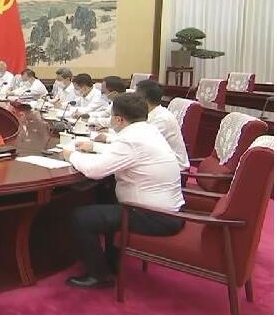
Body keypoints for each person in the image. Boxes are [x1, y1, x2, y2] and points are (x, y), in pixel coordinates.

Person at [62, 93, 185, 289]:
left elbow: (95, 171)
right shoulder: (147, 131)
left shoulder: (131, 139)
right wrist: (94, 147)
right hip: (168, 211)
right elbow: (127, 154)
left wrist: (70, 155)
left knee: (81, 216)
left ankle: (99, 275)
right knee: (106, 197)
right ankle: (111, 262)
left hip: (153, 216)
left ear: (119, 119)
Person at [134, 80, 190, 171]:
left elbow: (140, 142)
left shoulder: (162, 118)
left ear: (143, 99)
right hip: (157, 160)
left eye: (135, 97)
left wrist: (112, 138)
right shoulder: (148, 113)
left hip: (174, 168)